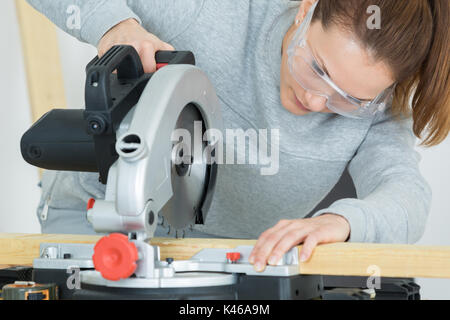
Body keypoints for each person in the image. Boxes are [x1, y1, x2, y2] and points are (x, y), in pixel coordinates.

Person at [27, 0, 449, 273]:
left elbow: (406, 195)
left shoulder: (376, 112)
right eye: (317, 68)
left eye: (348, 98)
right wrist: (113, 24)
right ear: (305, 12)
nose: (315, 100)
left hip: (221, 262)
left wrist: (344, 221)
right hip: (97, 222)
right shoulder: (216, 12)